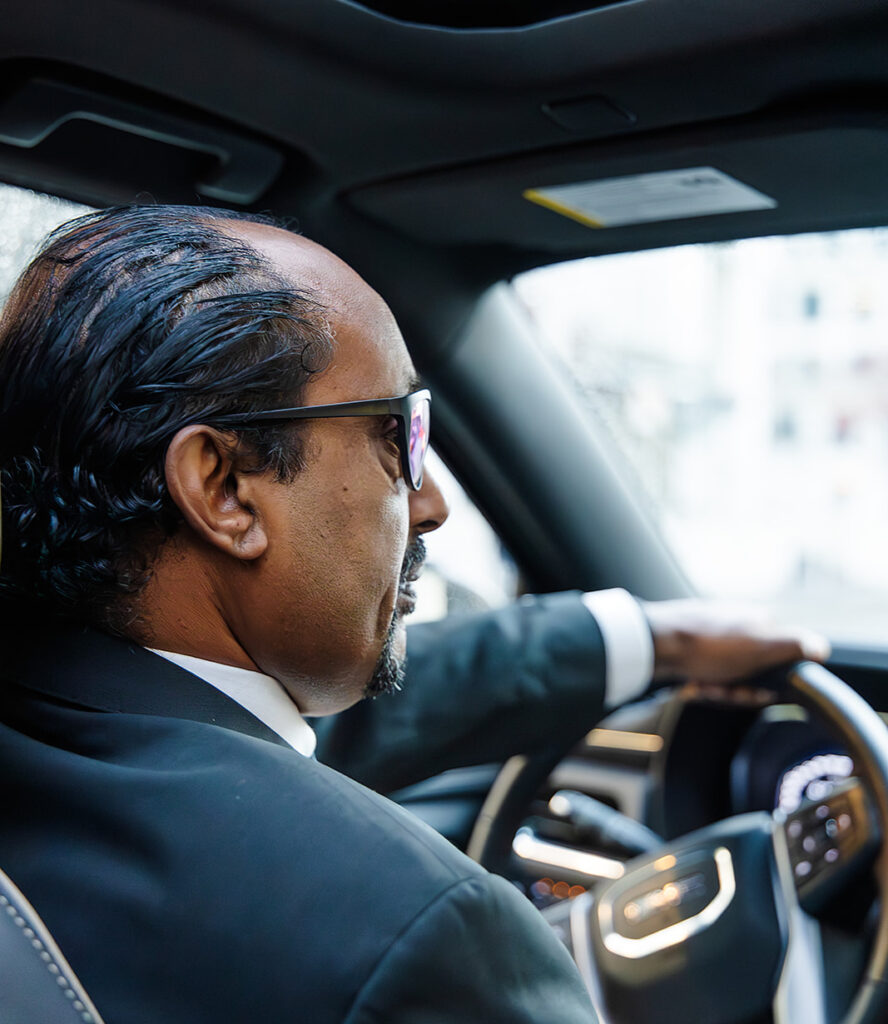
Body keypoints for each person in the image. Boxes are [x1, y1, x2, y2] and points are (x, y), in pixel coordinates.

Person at [0, 205, 826, 1023]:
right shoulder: (423, 937)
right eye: (398, 437)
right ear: (225, 490)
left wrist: (648, 639)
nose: (432, 505)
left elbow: (311, 732)